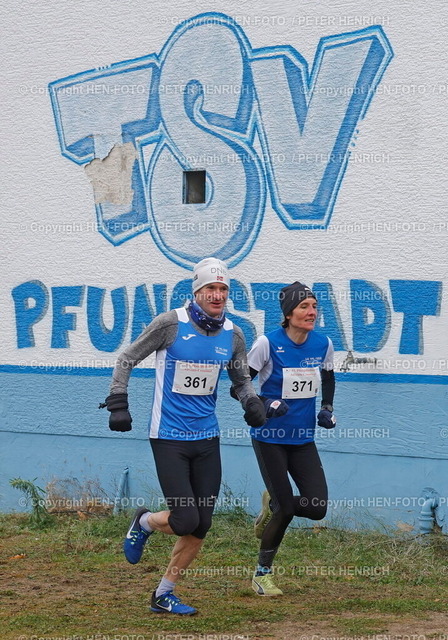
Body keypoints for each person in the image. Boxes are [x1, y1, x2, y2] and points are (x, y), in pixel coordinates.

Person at [101, 257, 266, 615]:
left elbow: (241, 380)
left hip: (207, 438)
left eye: (223, 289)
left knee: (201, 524)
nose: (217, 295)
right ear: (197, 291)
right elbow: (127, 358)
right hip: (169, 436)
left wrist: (252, 402)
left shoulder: (233, 334)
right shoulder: (170, 324)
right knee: (185, 520)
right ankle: (144, 521)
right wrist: (118, 400)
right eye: (210, 288)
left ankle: (164, 593)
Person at [243, 281, 336, 596]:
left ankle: (272, 504)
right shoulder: (267, 344)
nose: (312, 312)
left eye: (314, 306)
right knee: (285, 509)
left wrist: (327, 408)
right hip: (269, 438)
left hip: (303, 439)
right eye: (304, 307)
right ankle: (262, 575)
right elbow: (239, 386)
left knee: (317, 507)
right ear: (288, 313)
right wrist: (265, 402)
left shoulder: (322, 344)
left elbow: (328, 378)